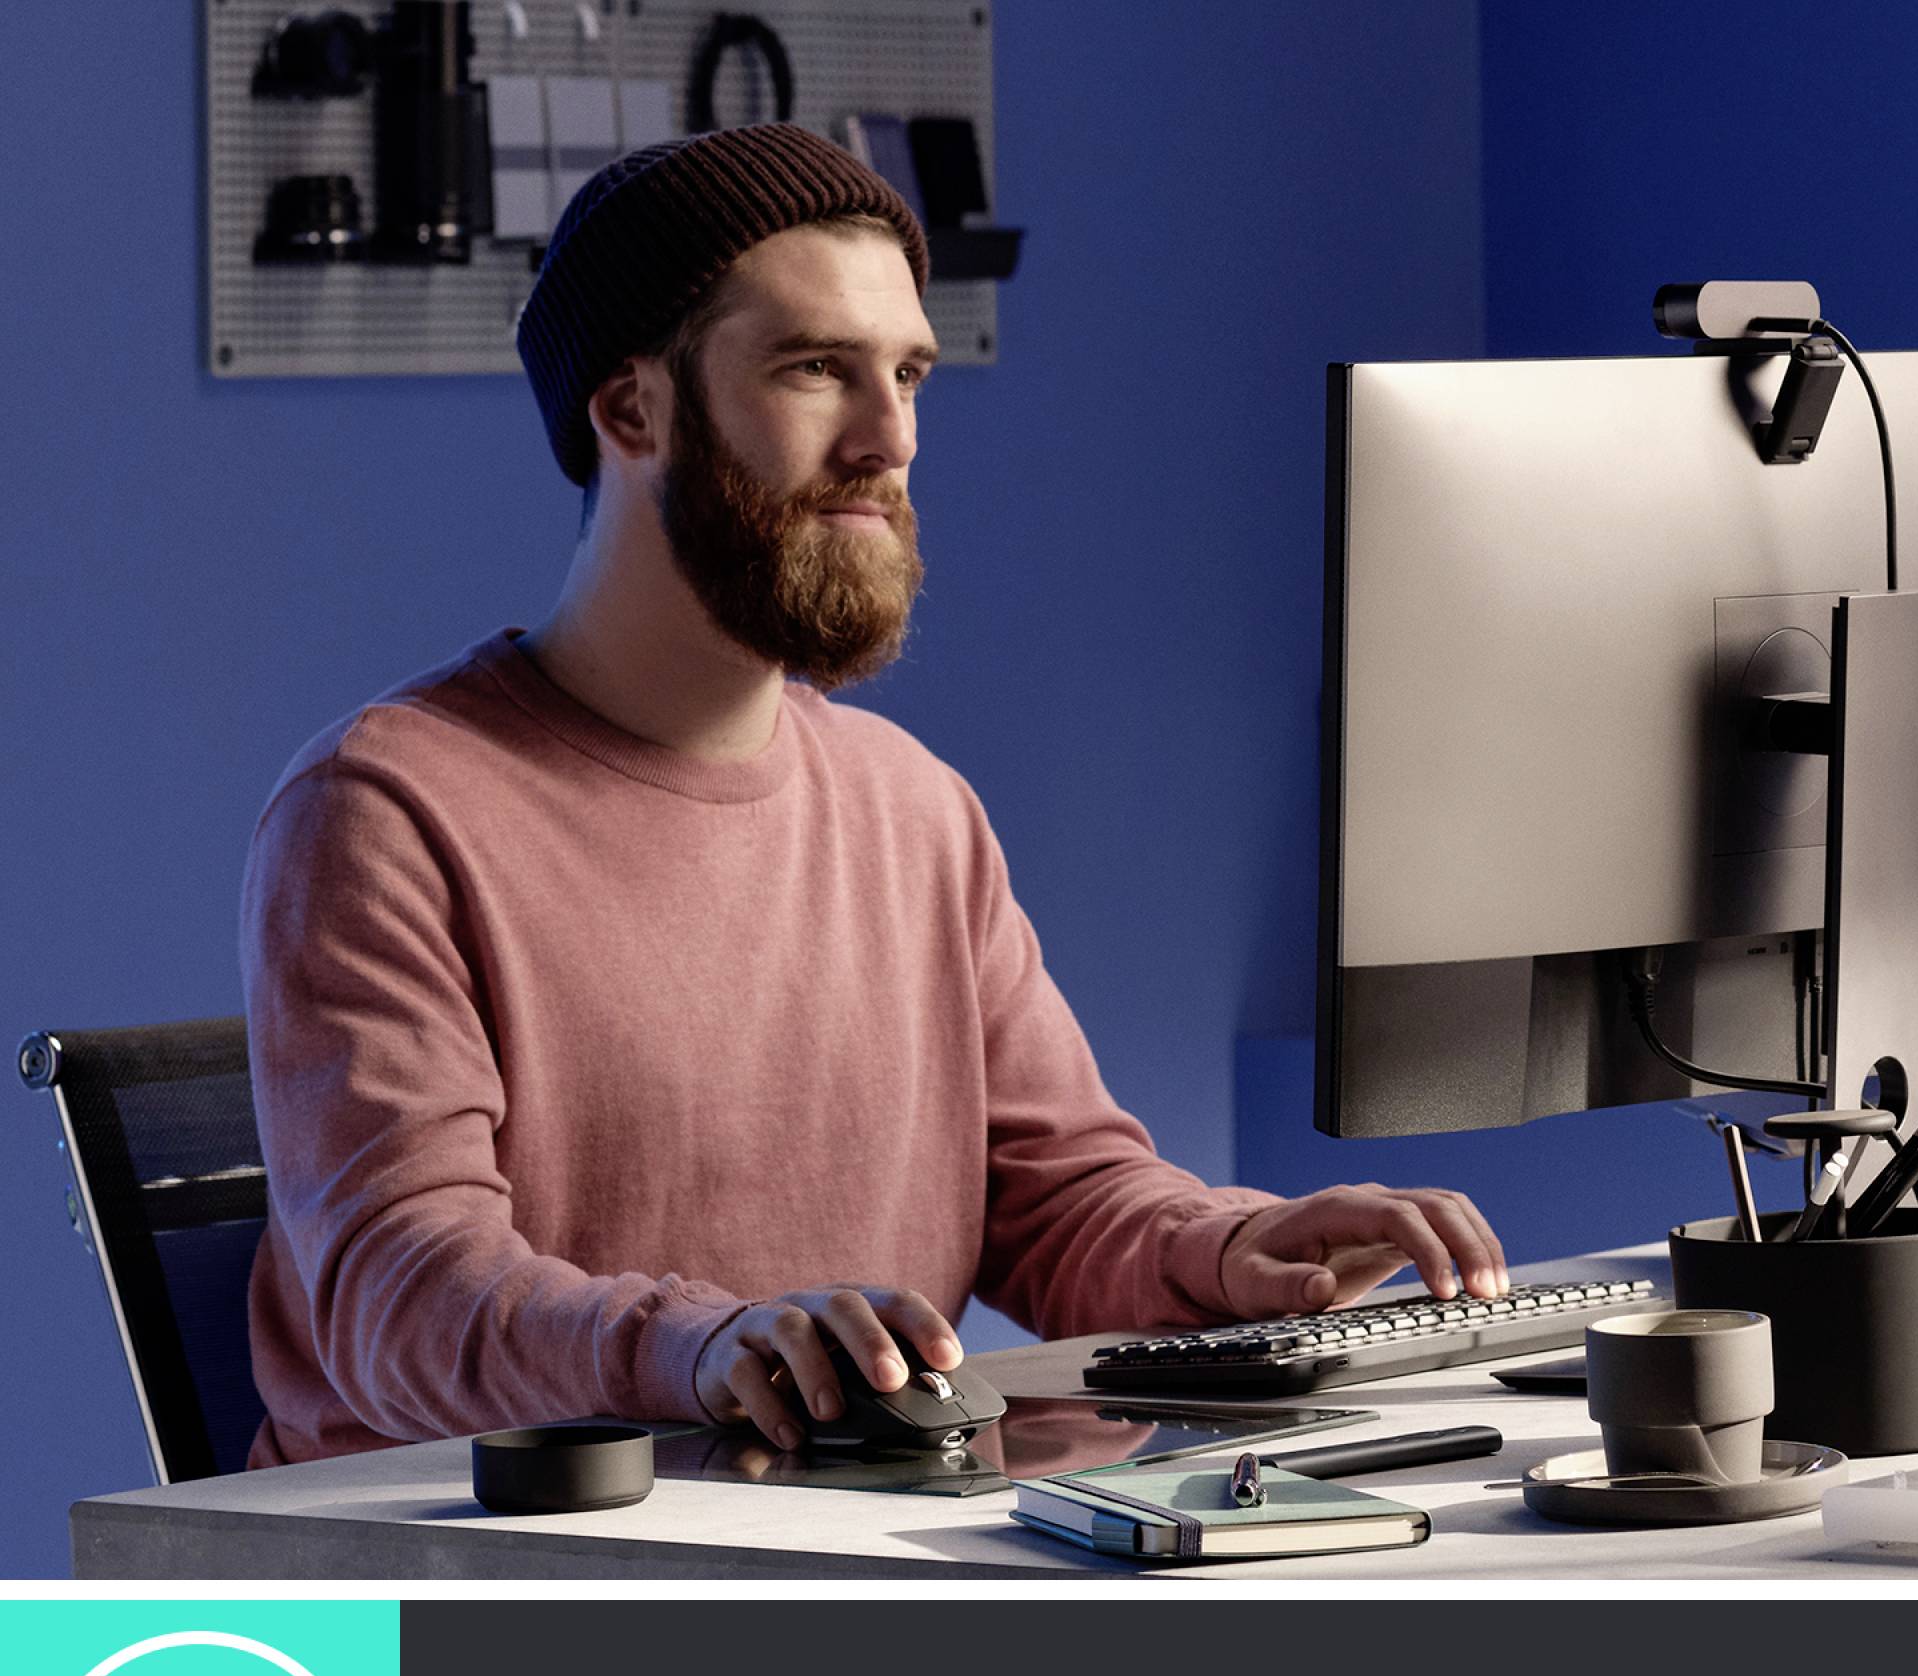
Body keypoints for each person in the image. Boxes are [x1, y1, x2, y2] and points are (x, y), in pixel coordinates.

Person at [241, 124, 1505, 1467]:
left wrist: (1239, 1250)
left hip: (841, 1525)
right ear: (632, 411)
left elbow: (1061, 1205)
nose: (889, 437)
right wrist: (705, 1351)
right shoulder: (385, 810)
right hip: (483, 1568)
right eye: (813, 371)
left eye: (907, 374)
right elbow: (401, 1296)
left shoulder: (913, 808)